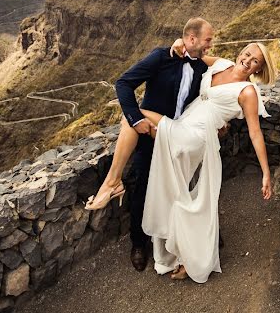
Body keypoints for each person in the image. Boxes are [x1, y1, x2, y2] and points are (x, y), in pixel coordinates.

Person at [87, 41, 277, 283]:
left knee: (133, 117)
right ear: (241, 52)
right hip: (183, 125)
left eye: (255, 62)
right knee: (176, 196)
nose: (248, 61)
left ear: (259, 69)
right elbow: (191, 54)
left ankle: (112, 182)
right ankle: (185, 256)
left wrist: (266, 173)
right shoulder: (221, 64)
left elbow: (255, 133)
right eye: (248, 54)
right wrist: (176, 44)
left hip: (194, 138)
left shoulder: (248, 91)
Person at [87, 18, 214, 272]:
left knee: (181, 190)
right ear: (192, 39)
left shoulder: (201, 67)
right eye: (208, 40)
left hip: (178, 138)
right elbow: (123, 83)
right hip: (150, 135)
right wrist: (135, 120)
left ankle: (187, 238)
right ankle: (138, 243)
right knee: (142, 187)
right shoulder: (160, 57)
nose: (210, 45)